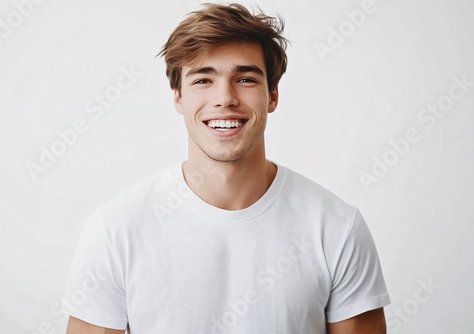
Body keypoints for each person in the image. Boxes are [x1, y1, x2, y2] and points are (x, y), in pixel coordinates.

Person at [64, 3, 390, 333]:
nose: (225, 98)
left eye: (246, 78)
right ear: (178, 97)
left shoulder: (337, 228)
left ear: (272, 95)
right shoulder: (115, 231)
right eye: (203, 79)